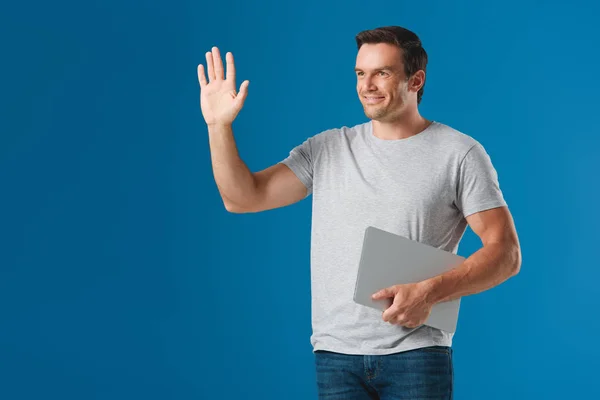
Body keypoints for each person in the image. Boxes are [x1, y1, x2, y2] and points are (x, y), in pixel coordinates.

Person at [197, 25, 521, 400]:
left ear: (415, 80)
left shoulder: (459, 153)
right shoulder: (327, 148)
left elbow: (505, 253)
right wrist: (218, 127)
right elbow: (243, 198)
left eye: (382, 73)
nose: (367, 85)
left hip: (416, 354)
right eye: (360, 74)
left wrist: (431, 292)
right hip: (335, 356)